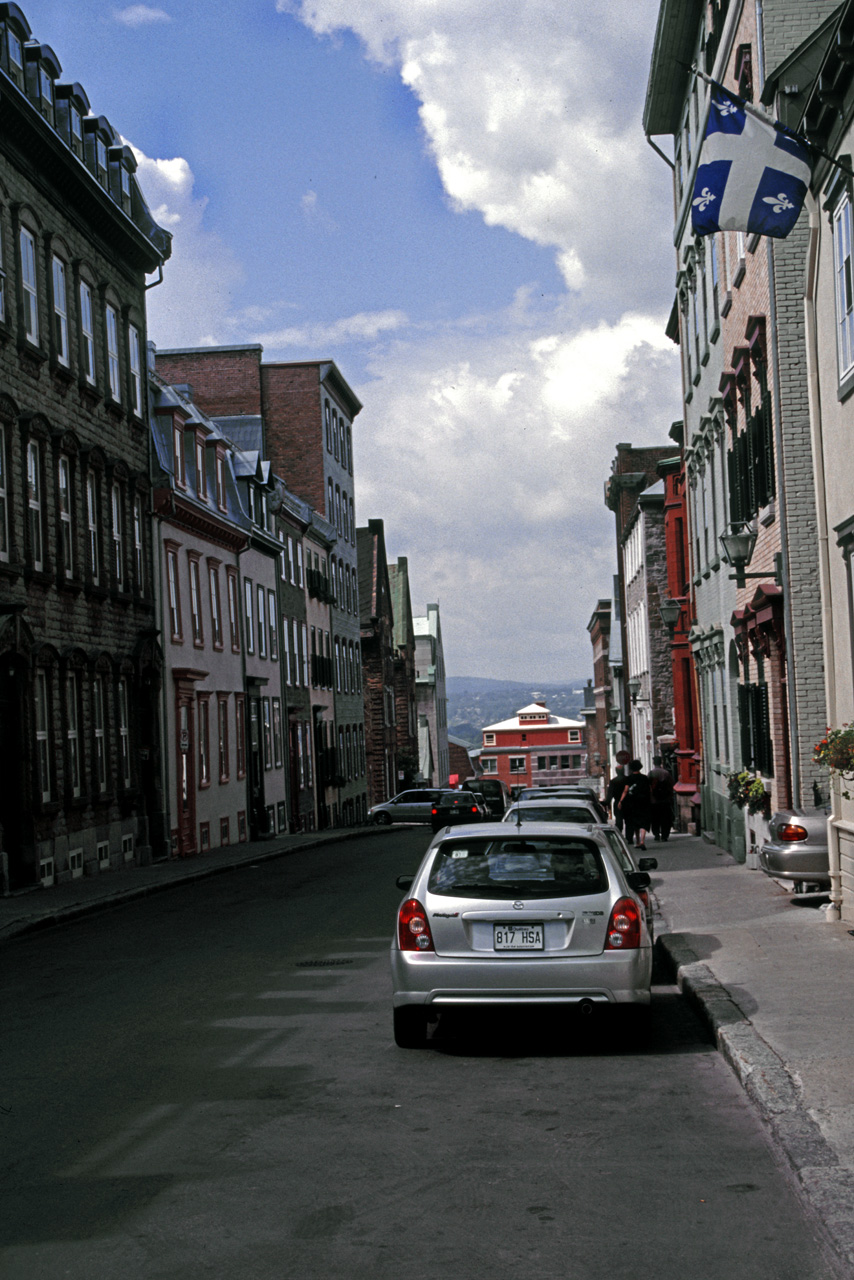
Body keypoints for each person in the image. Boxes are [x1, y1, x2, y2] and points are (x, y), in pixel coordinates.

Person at [618, 759, 652, 850]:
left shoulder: (629, 779)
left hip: (633, 803)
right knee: (644, 822)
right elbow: (649, 790)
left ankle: (637, 841)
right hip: (644, 802)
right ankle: (642, 841)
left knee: (635, 822)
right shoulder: (644, 778)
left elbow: (625, 790)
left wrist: (620, 801)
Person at [649, 755, 675, 842]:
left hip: (654, 800)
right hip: (665, 799)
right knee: (665, 818)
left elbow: (648, 786)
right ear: (661, 762)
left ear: (653, 762)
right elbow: (671, 784)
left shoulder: (651, 773)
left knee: (655, 818)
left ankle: (656, 834)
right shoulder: (666, 773)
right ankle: (664, 835)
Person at [605, 767, 626, 835]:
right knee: (629, 821)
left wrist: (607, 802)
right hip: (627, 802)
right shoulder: (627, 779)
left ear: (616, 772)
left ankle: (619, 833)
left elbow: (610, 794)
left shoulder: (613, 781)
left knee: (619, 819)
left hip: (617, 802)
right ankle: (629, 837)